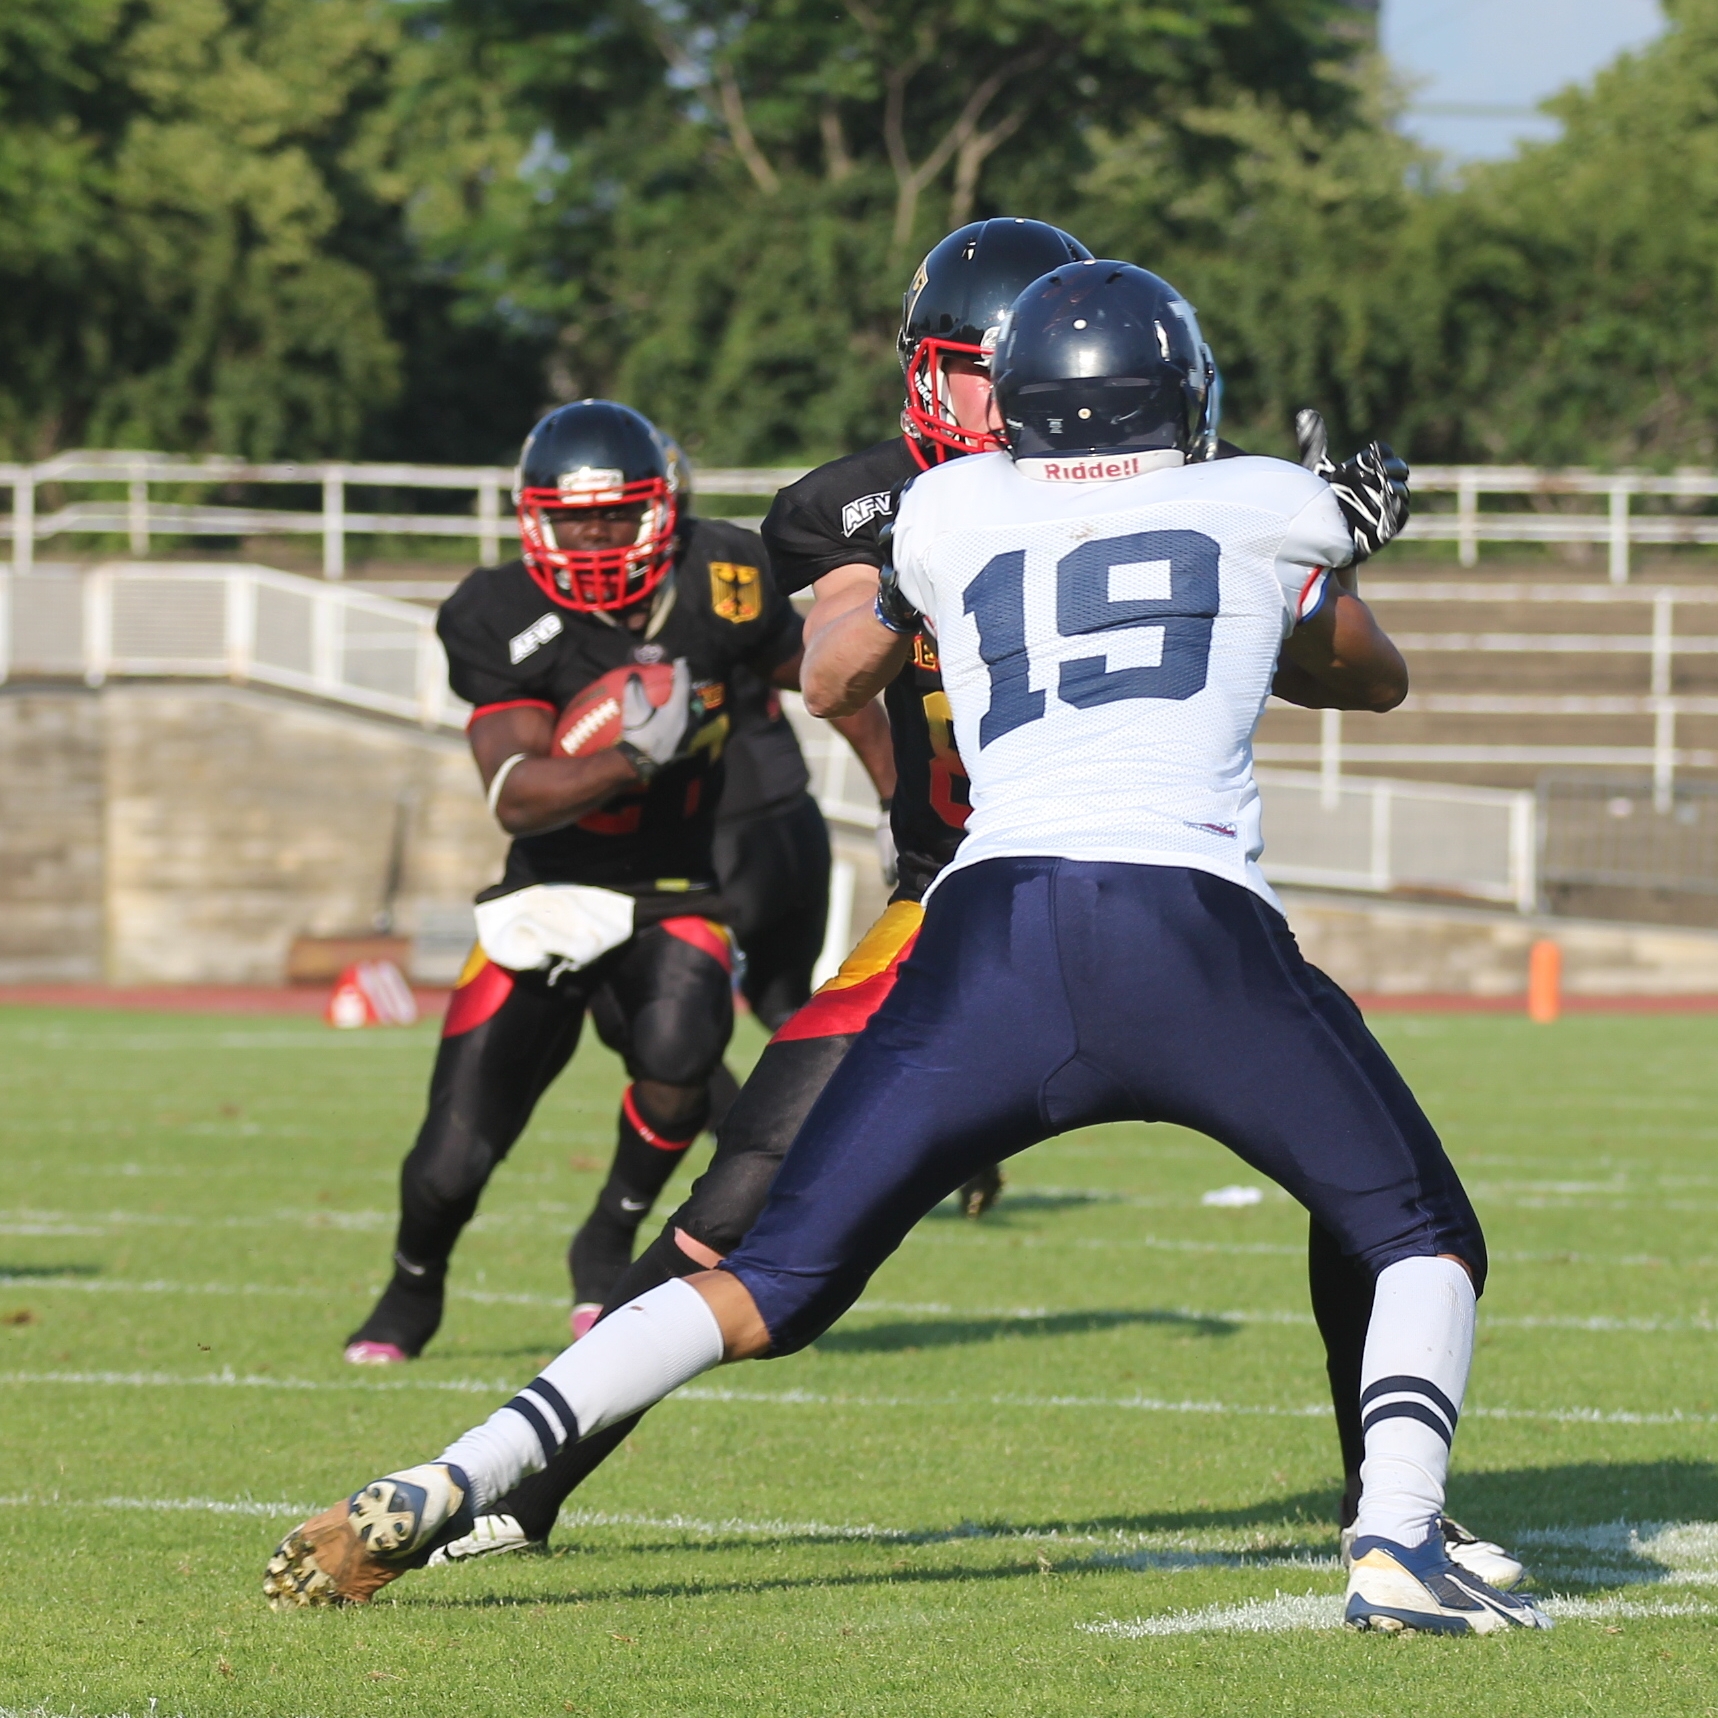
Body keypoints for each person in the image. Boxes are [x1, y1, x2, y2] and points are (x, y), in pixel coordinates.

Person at [267, 264, 1548, 1635]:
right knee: (1415, 1228)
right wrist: (1331, 543)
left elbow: (891, 628)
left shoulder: (942, 512)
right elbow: (1366, 671)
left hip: (986, 935)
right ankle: (1395, 1532)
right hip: (1169, 922)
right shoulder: (1257, 497)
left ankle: (463, 1468)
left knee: (767, 1280)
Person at [339, 398, 872, 1362]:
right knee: (453, 1157)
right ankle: (413, 1286)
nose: (594, 537)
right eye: (574, 518)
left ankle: (607, 1235)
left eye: (617, 514)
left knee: (683, 1047)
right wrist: (630, 760)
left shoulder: (723, 574)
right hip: (548, 894)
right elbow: (515, 794)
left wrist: (903, 782)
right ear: (533, 518)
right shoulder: (494, 611)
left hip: (677, 887)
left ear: (662, 509)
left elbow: (830, 674)